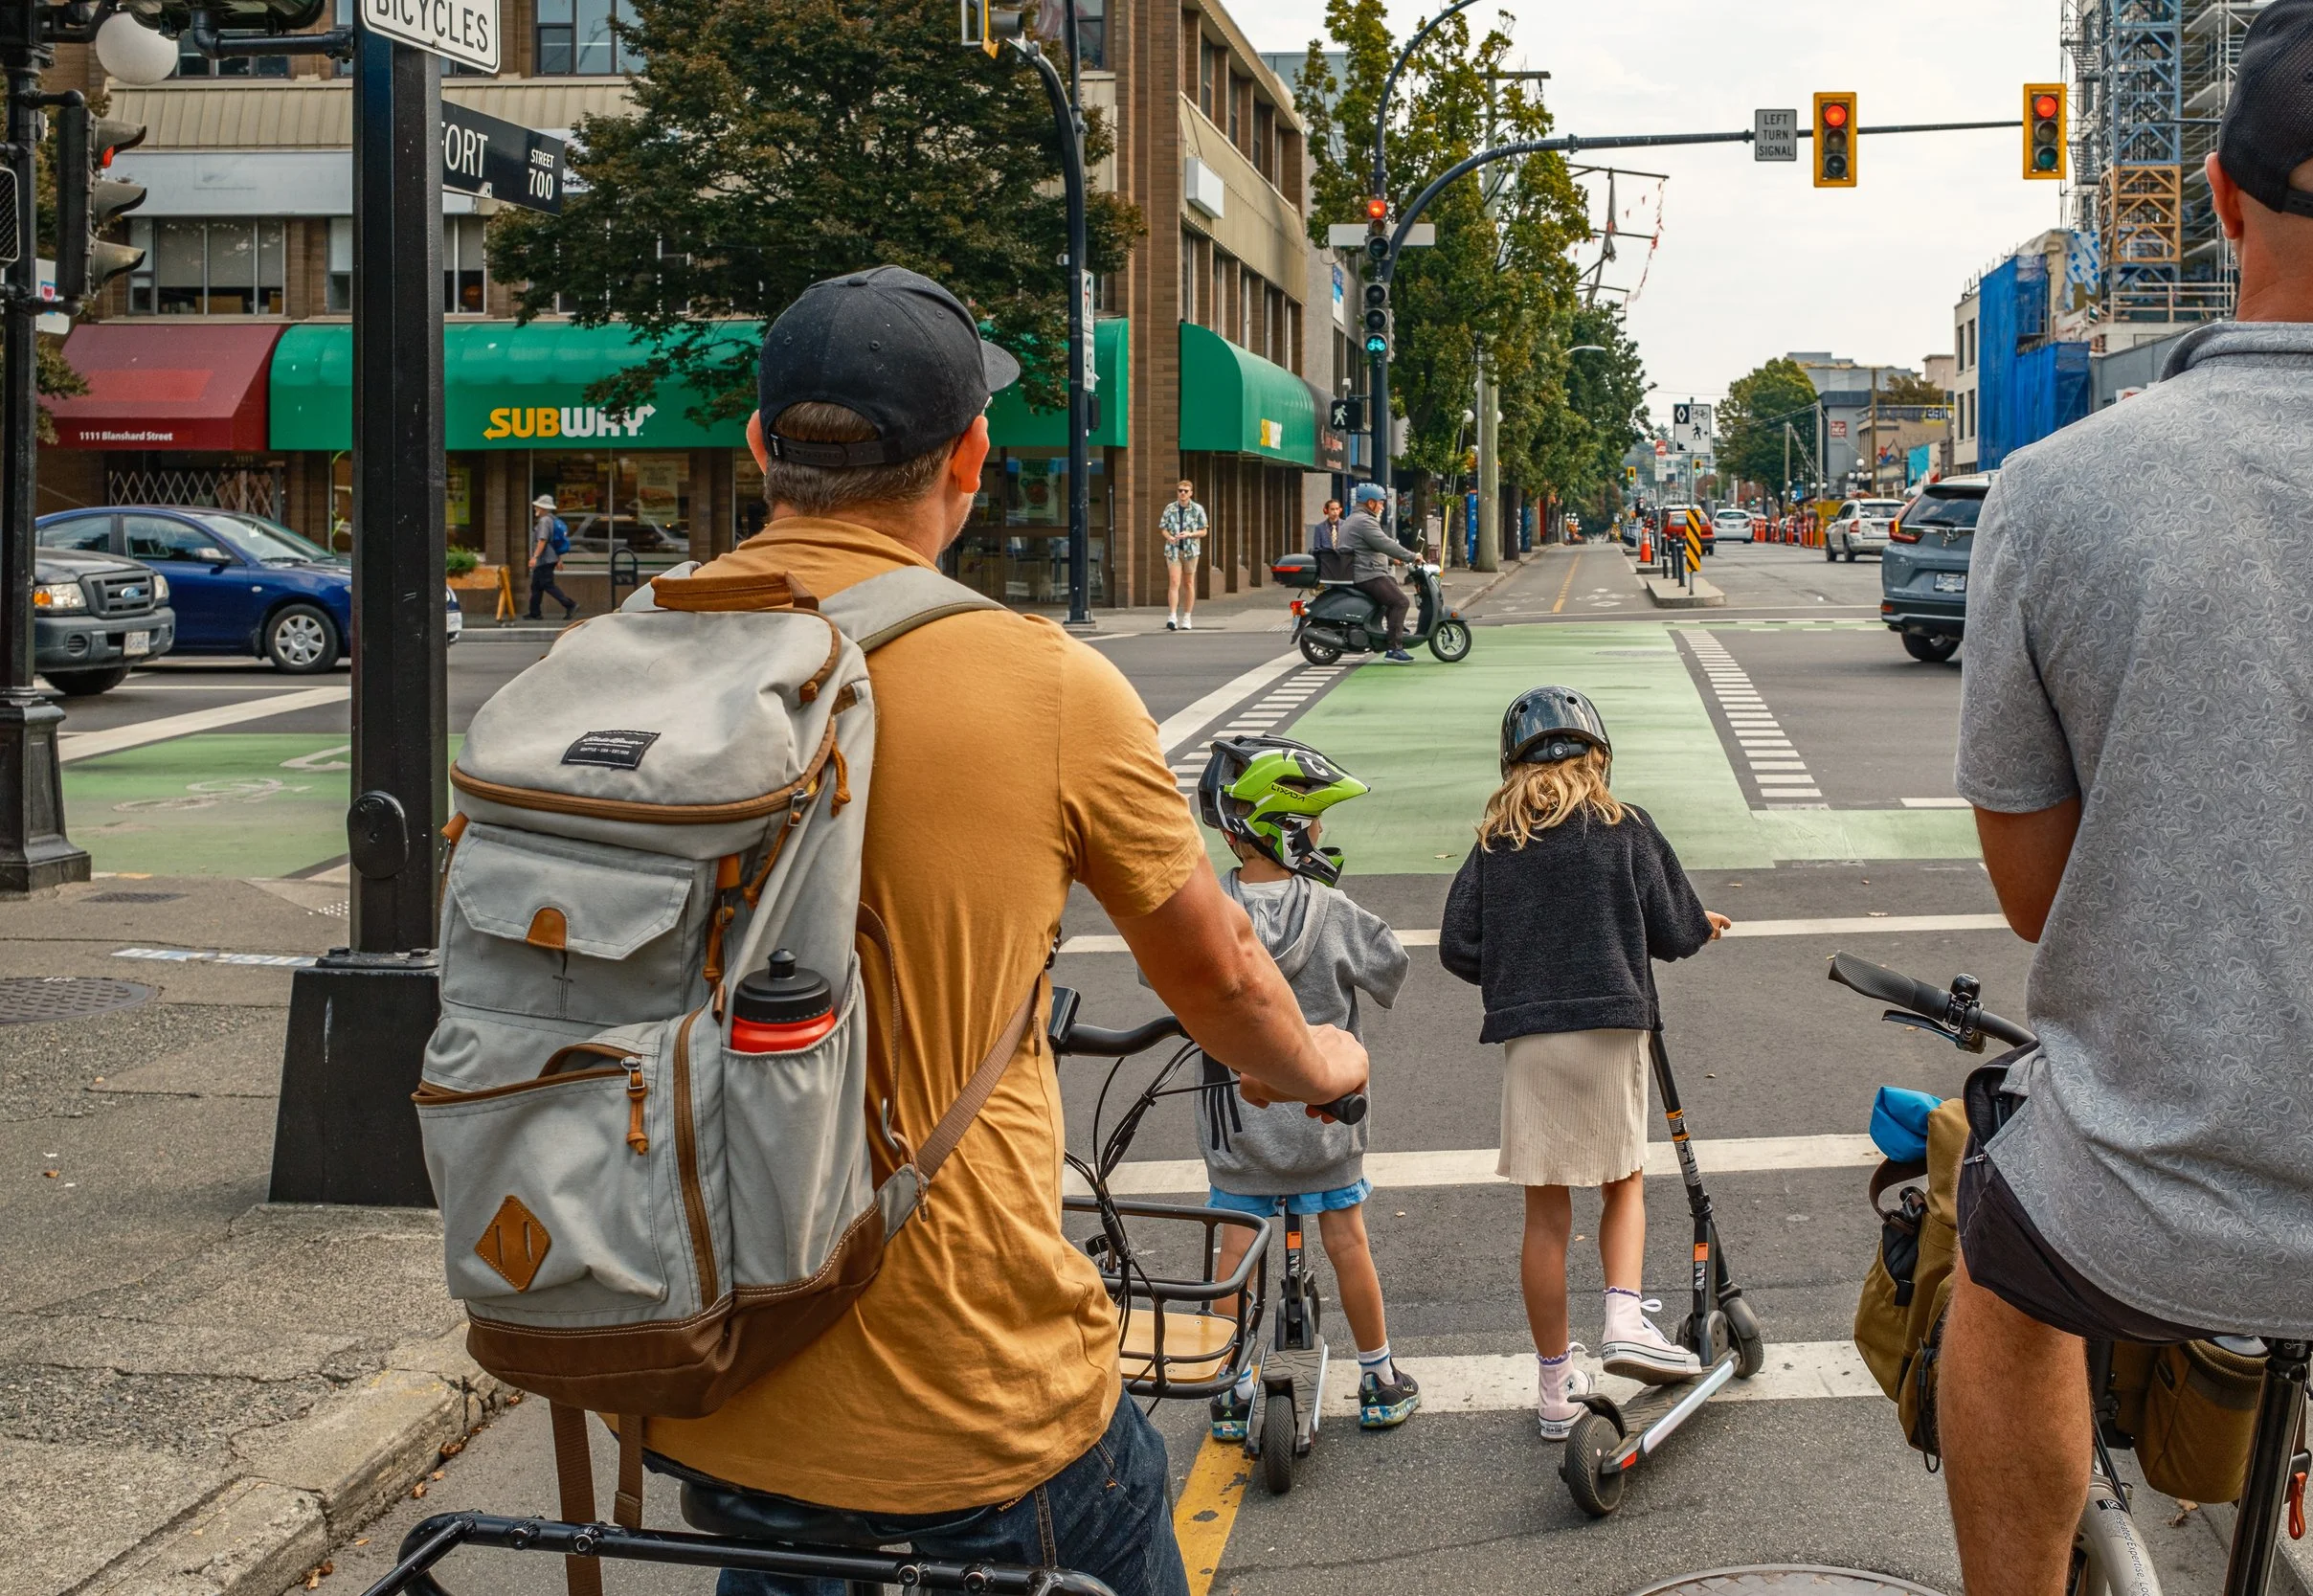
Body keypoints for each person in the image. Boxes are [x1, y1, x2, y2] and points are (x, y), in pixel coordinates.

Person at [631, 265, 1368, 1596]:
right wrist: (1320, 1064)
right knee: (1118, 1503)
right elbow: (1222, 977)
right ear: (971, 455)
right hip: (973, 1414)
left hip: (701, 1383)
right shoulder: (1044, 683)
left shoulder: (638, 648)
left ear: (761, 448)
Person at [1942, 7, 2313, 1591]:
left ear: (2220, 198)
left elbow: (2040, 897)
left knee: (1998, 1284)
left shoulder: (2061, 495)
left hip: (2147, 1204)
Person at [1437, 687, 1730, 1440]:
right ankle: (1626, 1317)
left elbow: (1458, 944)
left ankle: (1554, 1386)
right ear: (1597, 755)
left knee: (1545, 1212)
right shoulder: (1626, 828)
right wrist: (1704, 927)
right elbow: (1673, 926)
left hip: (1530, 1038)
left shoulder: (1497, 842)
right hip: (1611, 1027)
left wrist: (1519, 973)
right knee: (1622, 1179)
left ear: (1513, 766)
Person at [1184, 735, 1418, 1440]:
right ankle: (1377, 1378)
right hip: (1324, 1126)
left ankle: (1229, 1384)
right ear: (1287, 828)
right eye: (1315, 823)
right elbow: (1391, 969)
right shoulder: (1336, 913)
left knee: (1234, 1253)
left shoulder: (1208, 913)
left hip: (1239, 1134)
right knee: (1347, 1240)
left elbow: (1161, 976)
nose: (1321, 836)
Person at [1336, 483, 1418, 664]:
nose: (1382, 506)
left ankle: (1397, 630)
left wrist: (1391, 560)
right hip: (1367, 574)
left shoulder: (1353, 518)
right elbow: (1385, 543)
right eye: (1380, 503)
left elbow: (1366, 549)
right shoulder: (1365, 521)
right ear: (1371, 502)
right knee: (1400, 602)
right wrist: (1412, 556)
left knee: (1391, 588)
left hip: (1364, 570)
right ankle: (1394, 649)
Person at [1158, 479, 1207, 631]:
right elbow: (1163, 528)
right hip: (1173, 550)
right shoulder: (1170, 508)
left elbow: (1204, 530)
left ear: (1191, 493)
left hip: (1191, 551)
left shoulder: (1197, 509)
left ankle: (1187, 617)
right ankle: (1172, 616)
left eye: (1186, 491)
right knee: (1174, 581)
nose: (1183, 493)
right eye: (1180, 490)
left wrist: (1190, 534)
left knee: (1189, 583)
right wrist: (1169, 537)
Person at [526, 493, 577, 621]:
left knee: (547, 584)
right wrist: (559, 559)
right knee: (536, 585)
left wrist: (534, 557)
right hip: (550, 558)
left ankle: (570, 605)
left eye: (537, 507)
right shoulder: (552, 519)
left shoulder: (544, 521)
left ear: (543, 508)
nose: (535, 509)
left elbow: (542, 540)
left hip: (545, 559)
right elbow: (555, 541)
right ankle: (534, 612)